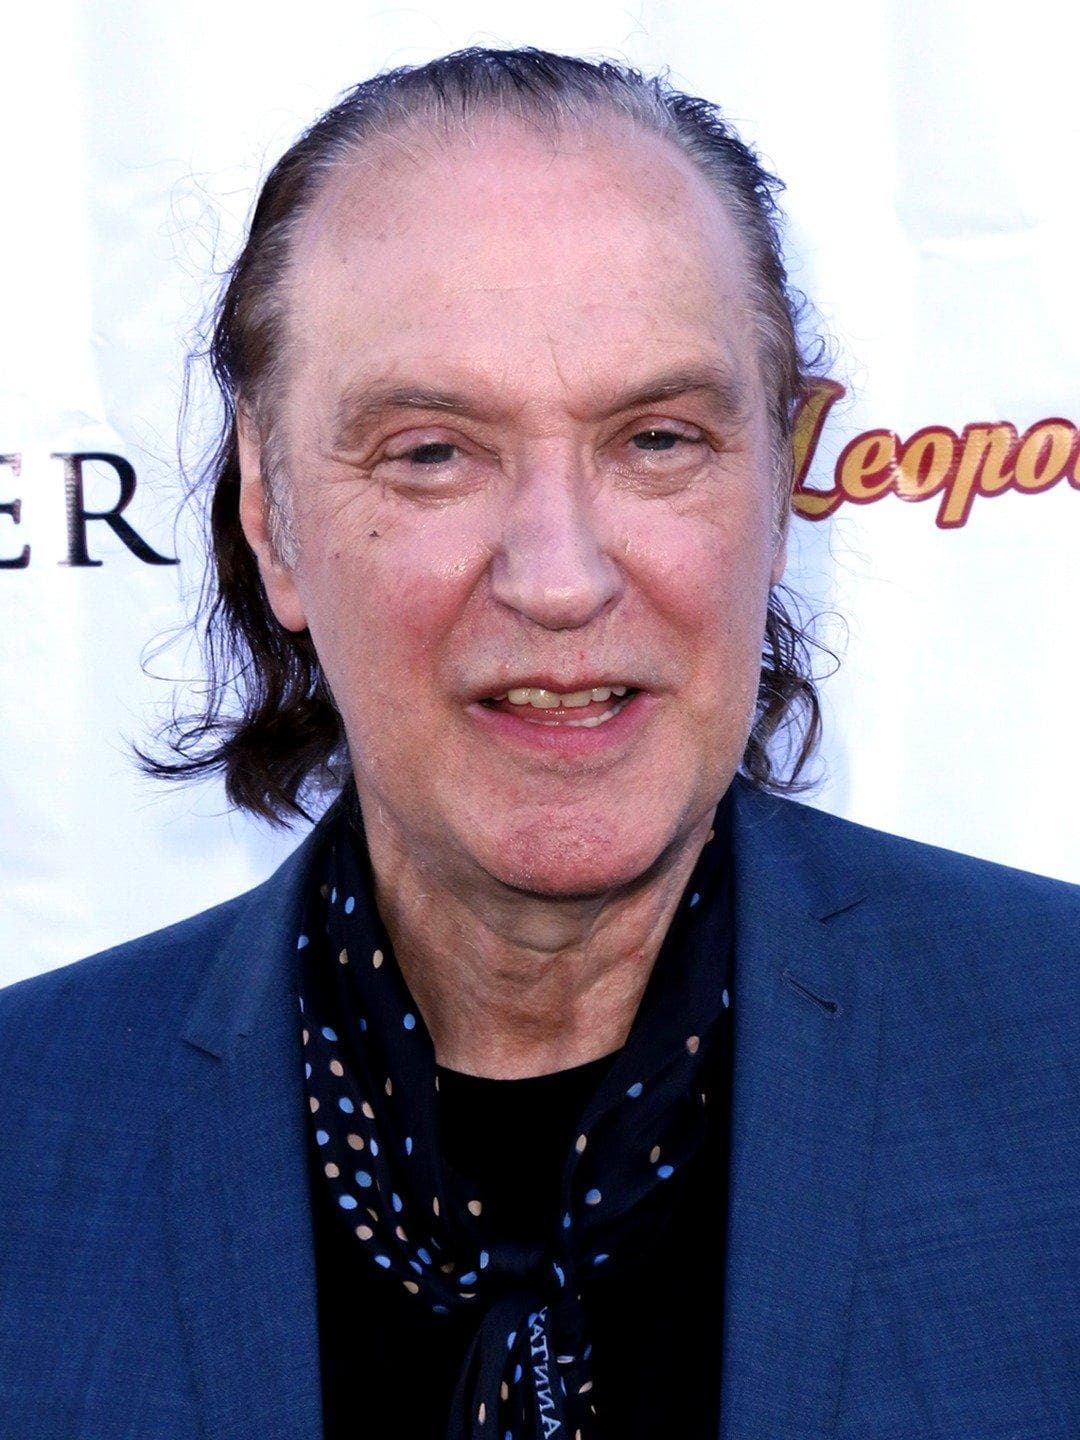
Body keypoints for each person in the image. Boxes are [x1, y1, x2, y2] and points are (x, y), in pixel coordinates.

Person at [0, 46, 1076, 1440]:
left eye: (657, 439)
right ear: (270, 513)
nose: (559, 577)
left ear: (776, 487)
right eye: (433, 452)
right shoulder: (29, 1138)